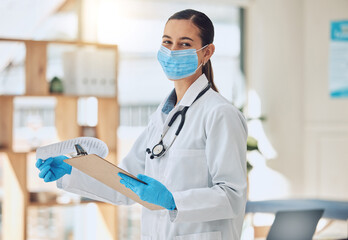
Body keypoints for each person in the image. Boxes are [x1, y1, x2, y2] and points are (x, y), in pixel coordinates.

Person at [36, 9, 248, 240]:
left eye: (184, 44)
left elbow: (232, 195)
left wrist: (172, 200)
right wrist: (73, 171)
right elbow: (126, 183)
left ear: (207, 52)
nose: (172, 51)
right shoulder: (161, 118)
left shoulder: (220, 114)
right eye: (167, 42)